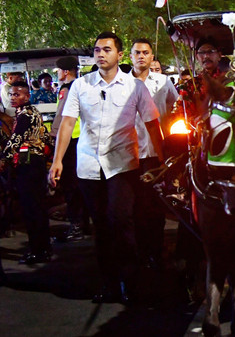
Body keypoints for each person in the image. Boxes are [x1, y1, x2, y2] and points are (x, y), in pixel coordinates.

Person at [48, 31, 164, 304]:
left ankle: (131, 280)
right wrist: (56, 161)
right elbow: (67, 123)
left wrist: (162, 160)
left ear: (119, 55)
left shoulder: (134, 87)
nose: (100, 54)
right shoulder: (81, 85)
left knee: (120, 219)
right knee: (101, 225)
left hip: (122, 164)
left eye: (107, 49)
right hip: (88, 164)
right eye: (97, 50)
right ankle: (109, 282)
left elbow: (151, 123)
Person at [130, 38, 179, 269]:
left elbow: (176, 108)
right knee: (135, 206)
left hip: (156, 152)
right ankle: (140, 251)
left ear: (152, 57)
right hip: (129, 154)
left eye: (146, 52)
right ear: (129, 56)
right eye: (137, 52)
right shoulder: (120, 83)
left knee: (155, 206)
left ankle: (156, 251)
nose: (141, 56)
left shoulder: (163, 82)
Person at [0, 81, 52, 264]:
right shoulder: (31, 113)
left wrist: (2, 160)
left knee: (31, 208)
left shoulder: (25, 116)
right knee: (37, 206)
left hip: (28, 163)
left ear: (27, 96)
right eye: (12, 95)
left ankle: (38, 250)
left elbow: (15, 142)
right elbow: (45, 135)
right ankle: (43, 247)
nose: (13, 98)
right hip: (35, 162)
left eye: (18, 94)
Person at [51, 56, 87, 242]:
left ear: (65, 72)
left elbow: (62, 117)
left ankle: (76, 227)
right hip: (81, 141)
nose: (57, 74)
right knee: (81, 184)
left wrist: (53, 137)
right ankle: (84, 224)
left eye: (58, 71)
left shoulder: (67, 89)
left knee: (70, 186)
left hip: (70, 142)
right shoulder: (82, 86)